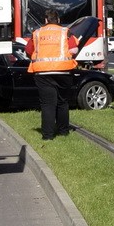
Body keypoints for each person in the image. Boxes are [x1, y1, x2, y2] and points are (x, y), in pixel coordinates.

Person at [26, 9, 79, 140]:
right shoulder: (65, 32)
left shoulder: (37, 33)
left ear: (45, 20)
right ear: (58, 20)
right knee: (63, 102)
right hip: (64, 71)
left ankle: (48, 135)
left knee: (47, 104)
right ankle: (63, 131)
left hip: (42, 72)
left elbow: (28, 50)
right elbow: (74, 49)